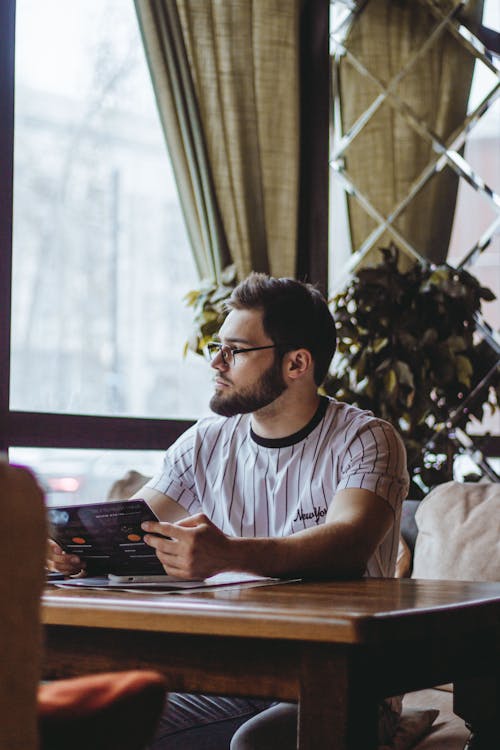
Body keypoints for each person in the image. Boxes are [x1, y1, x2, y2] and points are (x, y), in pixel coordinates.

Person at [49, 273, 409, 749]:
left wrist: (227, 554)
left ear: (296, 362)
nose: (216, 362)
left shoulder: (367, 439)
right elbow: (135, 526)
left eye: (235, 350)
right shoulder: (205, 441)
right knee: (89, 722)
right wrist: (74, 550)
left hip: (346, 684)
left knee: (255, 743)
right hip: (232, 678)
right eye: (217, 347)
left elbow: (348, 542)